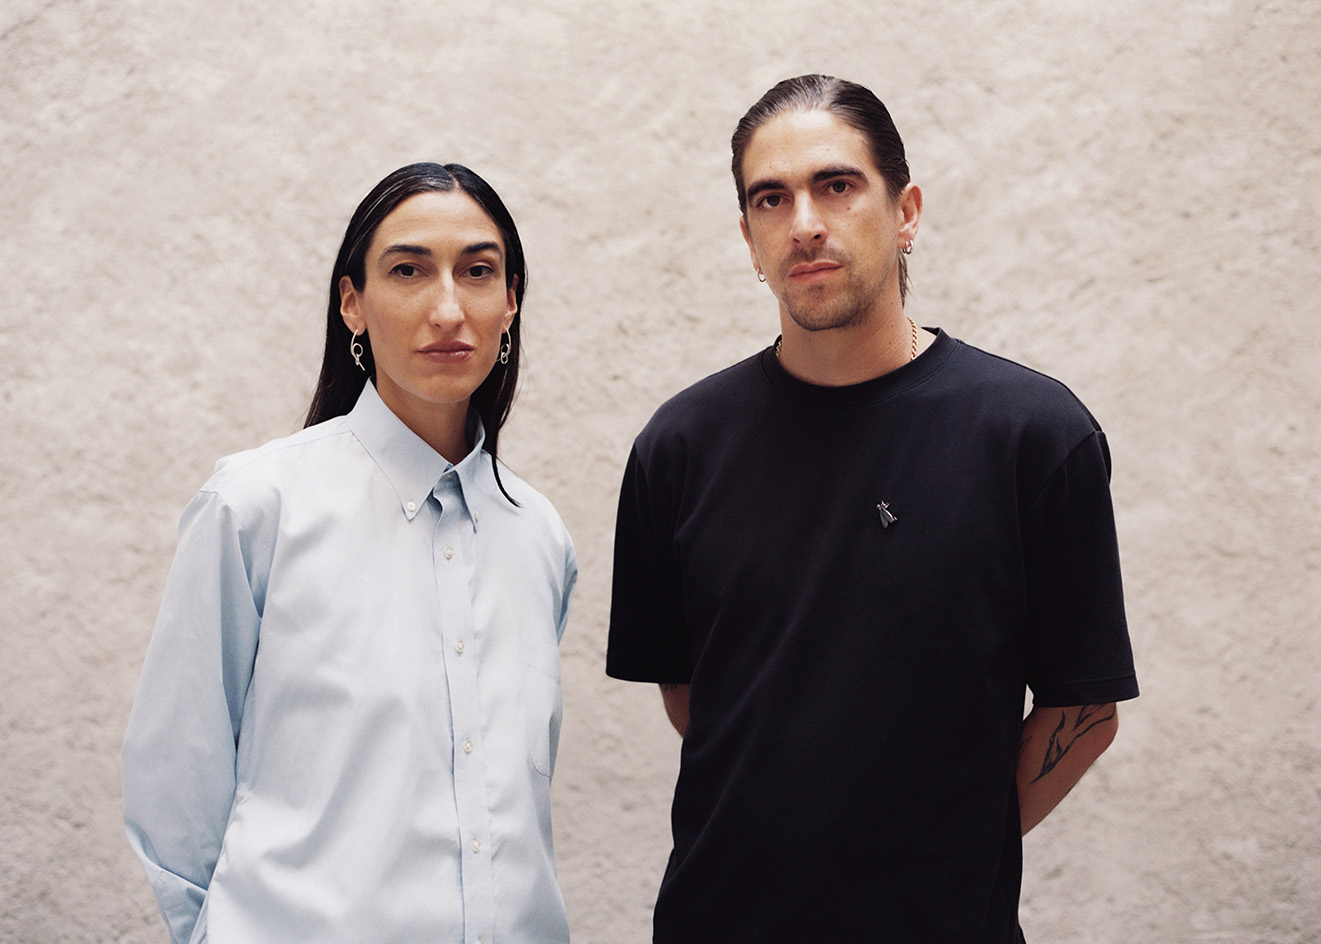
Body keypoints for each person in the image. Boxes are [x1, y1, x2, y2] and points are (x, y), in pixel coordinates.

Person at [606, 75, 1139, 942]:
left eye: (837, 185)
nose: (804, 222)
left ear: (905, 213)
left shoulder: (1033, 436)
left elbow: (1082, 710)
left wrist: (934, 857)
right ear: (748, 238)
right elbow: (691, 690)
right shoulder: (678, 446)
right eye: (770, 200)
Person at [123, 163, 576, 944]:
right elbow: (176, 786)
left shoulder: (539, 535)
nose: (446, 306)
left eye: (477, 271)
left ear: (510, 302)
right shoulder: (255, 506)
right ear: (351, 304)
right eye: (407, 270)